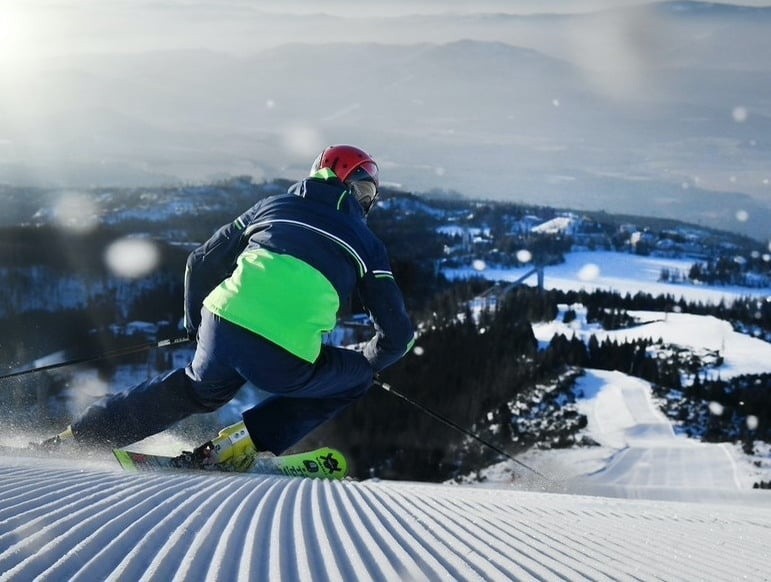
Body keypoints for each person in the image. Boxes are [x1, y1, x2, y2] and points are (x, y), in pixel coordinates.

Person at [41, 145, 415, 469]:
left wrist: (195, 324)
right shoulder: (368, 245)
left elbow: (202, 260)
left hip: (220, 325)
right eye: (364, 190)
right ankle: (246, 444)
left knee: (194, 390)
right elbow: (397, 335)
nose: (366, 201)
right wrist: (368, 361)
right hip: (285, 358)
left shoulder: (271, 206)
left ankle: (85, 435)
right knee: (358, 376)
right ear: (346, 183)